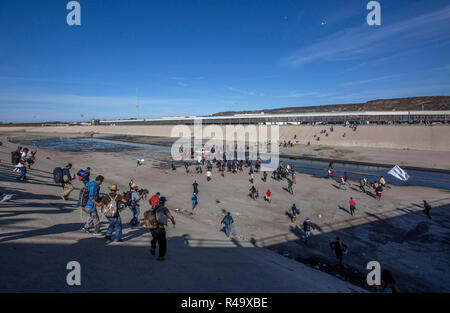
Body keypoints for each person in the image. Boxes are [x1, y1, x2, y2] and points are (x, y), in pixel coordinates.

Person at [148, 196, 175, 261]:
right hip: (160, 227)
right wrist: (173, 222)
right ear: (164, 202)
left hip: (152, 227)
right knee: (162, 243)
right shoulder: (164, 208)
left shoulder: (154, 207)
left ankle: (153, 247)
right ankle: (160, 257)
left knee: (155, 237)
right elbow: (170, 217)